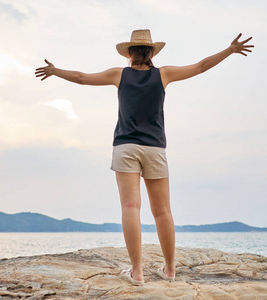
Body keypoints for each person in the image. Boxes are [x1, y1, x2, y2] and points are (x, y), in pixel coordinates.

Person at [35, 29, 253, 285]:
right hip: (155, 148)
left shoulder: (119, 74)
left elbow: (83, 78)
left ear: (129, 53)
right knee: (162, 212)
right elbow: (202, 66)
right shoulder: (164, 74)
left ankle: (137, 272)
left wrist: (55, 71)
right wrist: (230, 50)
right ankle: (170, 269)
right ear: (151, 53)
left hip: (126, 146)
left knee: (130, 207)